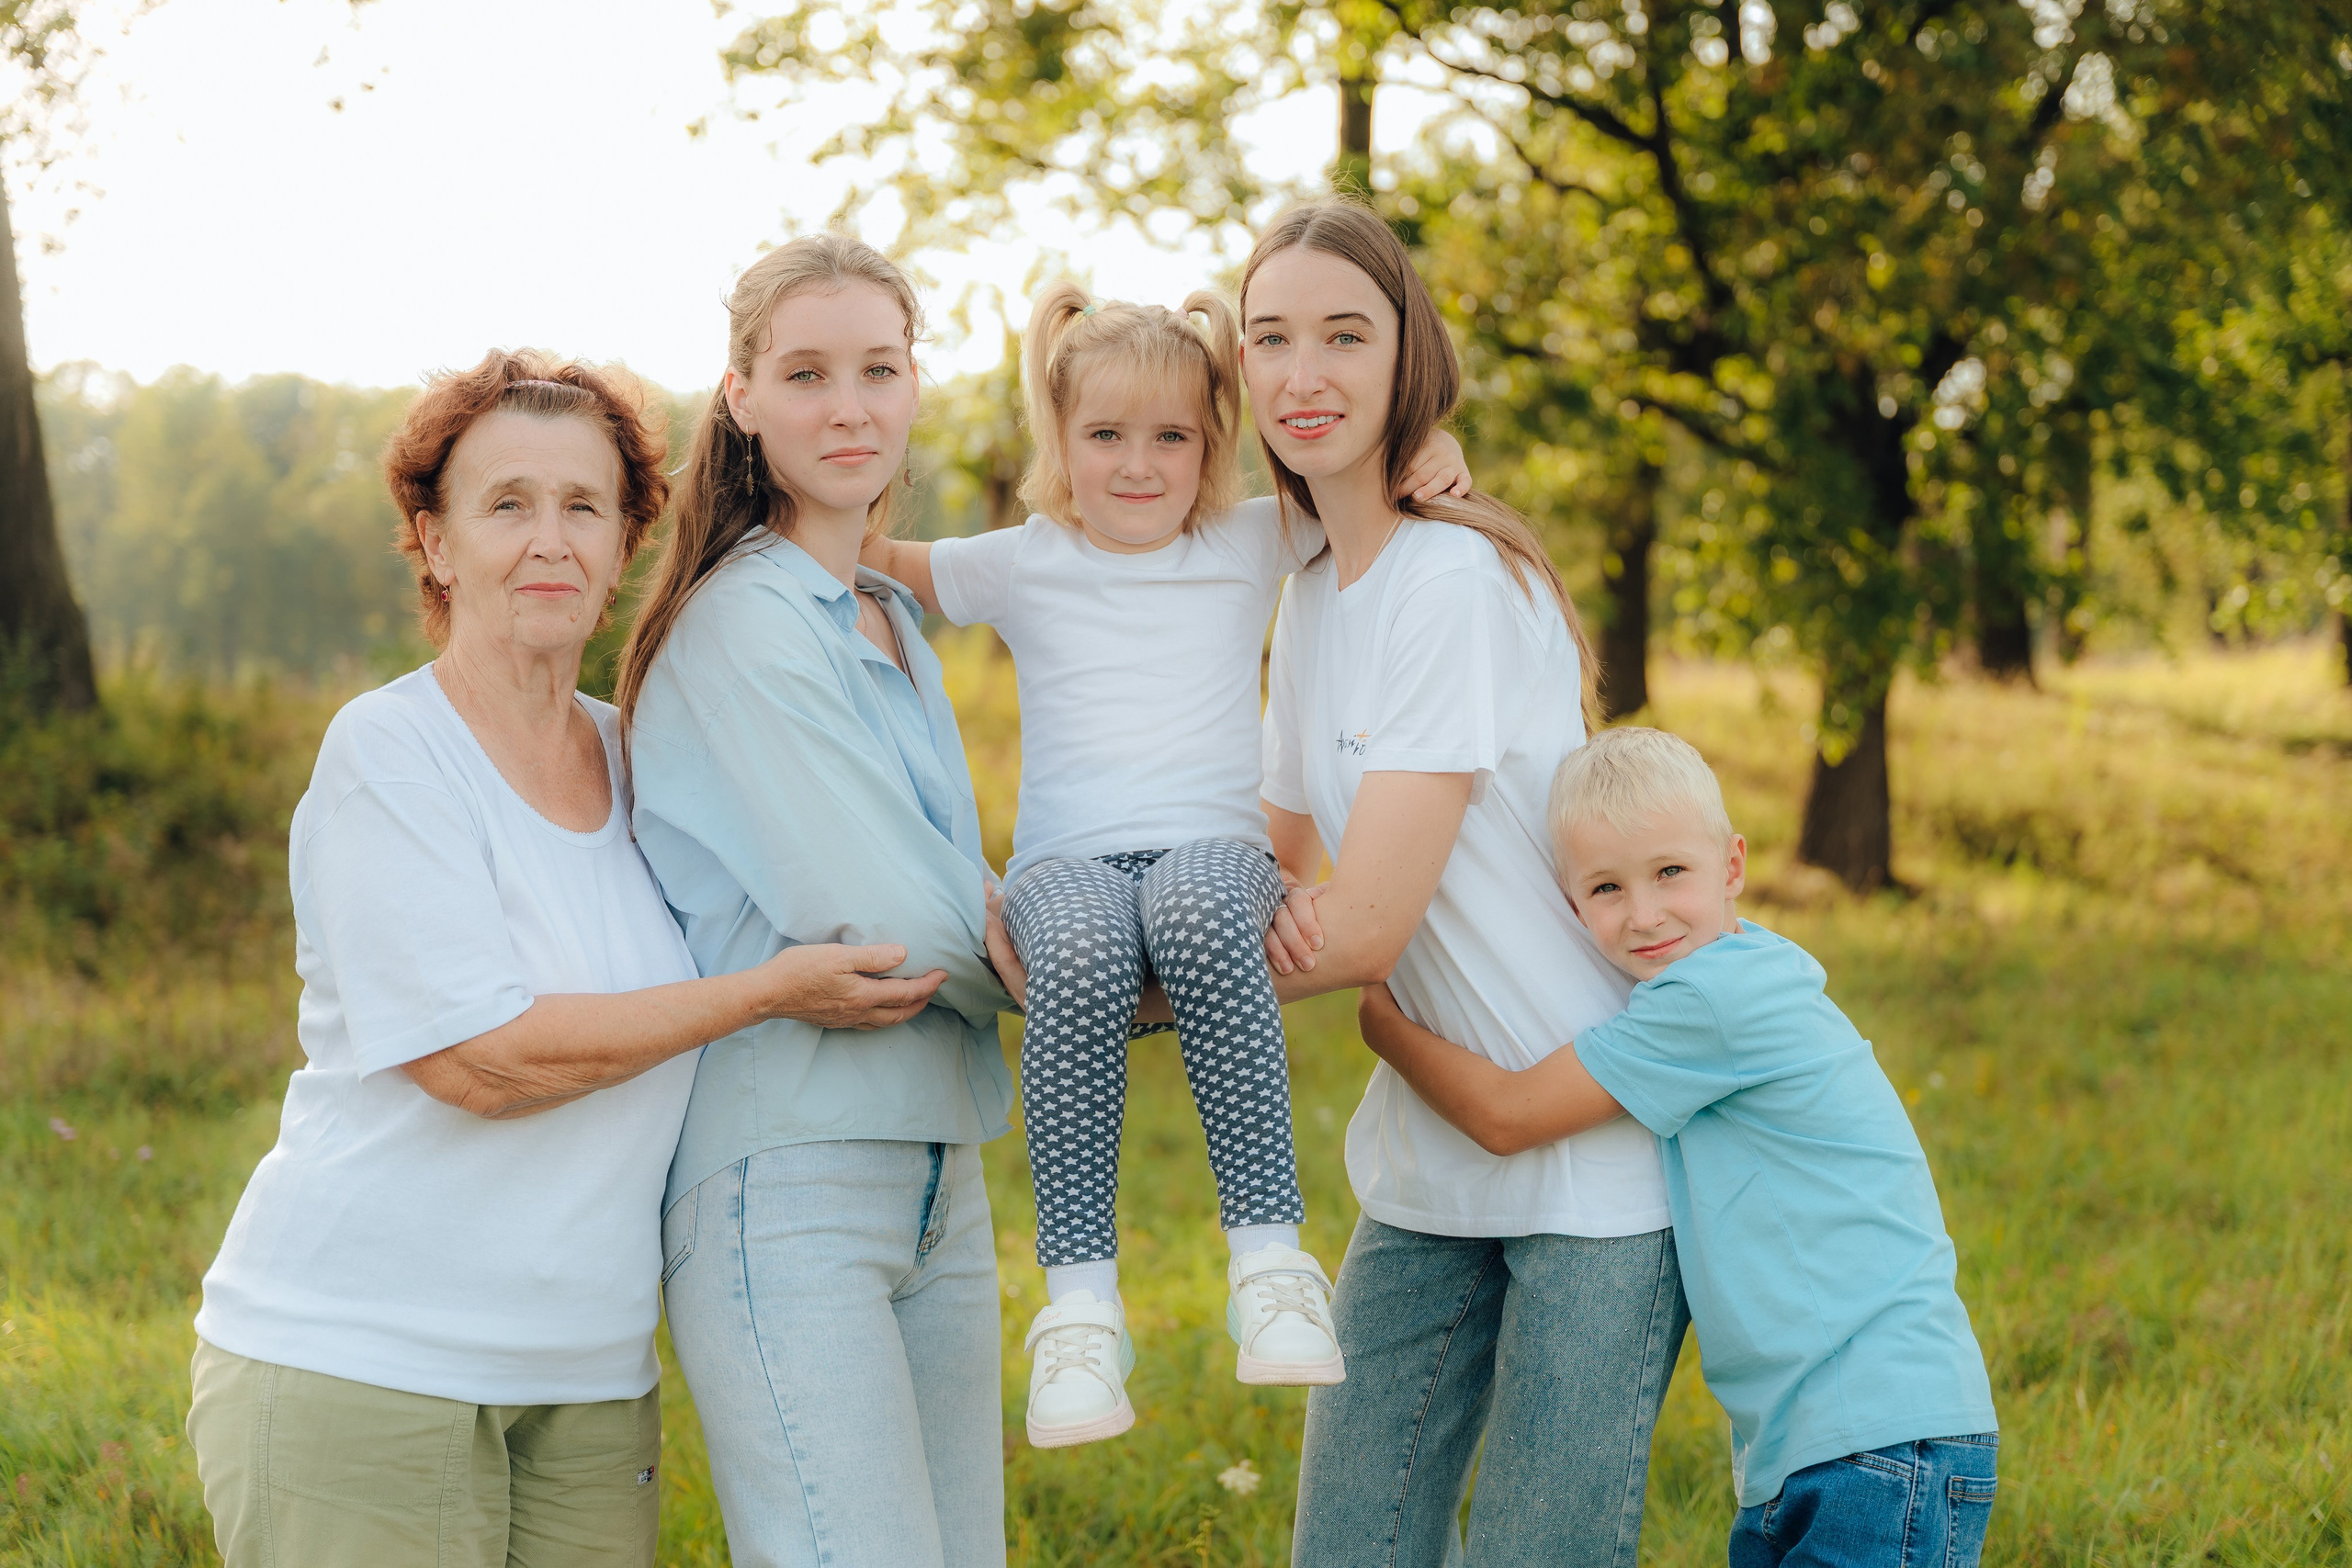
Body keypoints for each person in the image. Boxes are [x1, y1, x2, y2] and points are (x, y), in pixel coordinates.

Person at [184, 351, 943, 1568]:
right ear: (434, 542)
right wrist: (767, 991)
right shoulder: (392, 752)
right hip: (365, 1360)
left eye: (584, 505)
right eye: (507, 505)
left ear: (627, 538)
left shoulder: (646, 755)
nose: (551, 539)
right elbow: (482, 1060)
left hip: (589, 1379)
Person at [862, 281, 1472, 1449]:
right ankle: (1080, 1314)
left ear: (1212, 445)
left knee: (1196, 903)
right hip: (1060, 870)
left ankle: (1268, 1262)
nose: (1138, 465)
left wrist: (1430, 444)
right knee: (1083, 946)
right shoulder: (1023, 561)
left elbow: (1363, 475)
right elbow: (866, 552)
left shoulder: (1250, 540)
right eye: (1104, 436)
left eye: (1171, 438)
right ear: (1060, 438)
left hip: (1216, 852)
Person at [1238, 200, 1687, 1568]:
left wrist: (1089, 980)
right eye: (1270, 338)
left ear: (1405, 360)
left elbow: (1360, 920)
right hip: (1428, 1154)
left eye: (1344, 336)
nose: (1303, 372)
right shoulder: (1314, 588)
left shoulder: (1449, 575)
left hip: (1591, 1166)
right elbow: (1272, 861)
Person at [1356, 726, 2001, 1568]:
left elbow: (1506, 1115)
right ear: (1569, 902)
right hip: (1817, 1446)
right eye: (1606, 887)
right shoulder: (1741, 971)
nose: (1644, 912)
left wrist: (1380, 1016)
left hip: (1878, 1445)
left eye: (1670, 872)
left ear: (1731, 865)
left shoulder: (1714, 1002)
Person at [616, 234, 1014, 1568]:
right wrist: (1123, 967)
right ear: (741, 396)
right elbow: (883, 913)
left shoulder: (887, 608)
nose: (849, 406)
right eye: (806, 373)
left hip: (936, 1170)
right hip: (786, 1177)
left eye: (878, 369)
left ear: (915, 385)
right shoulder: (743, 622)